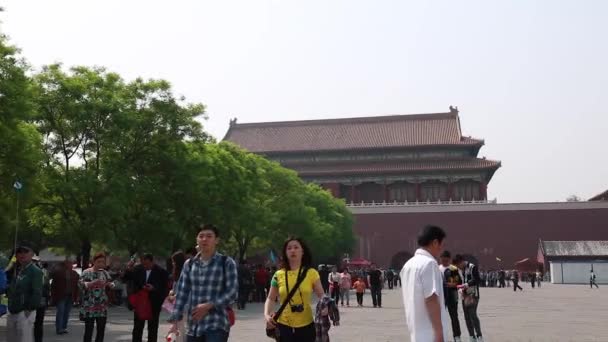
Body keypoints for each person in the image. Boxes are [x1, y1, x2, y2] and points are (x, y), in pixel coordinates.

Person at [169, 224, 238, 342]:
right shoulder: (189, 264)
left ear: (216, 240)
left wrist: (209, 305)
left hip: (216, 324)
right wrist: (175, 321)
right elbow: (182, 293)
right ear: (197, 240)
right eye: (201, 236)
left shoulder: (226, 262)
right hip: (193, 326)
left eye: (209, 236)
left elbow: (232, 293)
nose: (204, 239)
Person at [264, 237, 326, 342]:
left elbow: (321, 295)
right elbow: (270, 298)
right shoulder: (278, 275)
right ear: (285, 253)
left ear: (302, 252)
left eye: (296, 247)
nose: (293, 250)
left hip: (306, 324)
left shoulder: (312, 273)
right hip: (284, 325)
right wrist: (266, 314)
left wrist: (325, 307)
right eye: (289, 248)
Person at [400, 225, 449, 342]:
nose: (442, 249)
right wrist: (439, 332)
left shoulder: (407, 265)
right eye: (442, 245)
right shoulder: (429, 264)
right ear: (435, 242)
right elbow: (431, 298)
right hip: (429, 333)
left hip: (416, 332)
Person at [123, 253, 169, 342]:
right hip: (140, 303)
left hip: (153, 303)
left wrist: (154, 288)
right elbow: (126, 278)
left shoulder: (161, 272)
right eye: (143, 264)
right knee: (137, 328)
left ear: (152, 262)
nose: (145, 266)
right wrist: (128, 269)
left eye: (147, 264)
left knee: (152, 328)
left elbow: (164, 288)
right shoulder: (138, 269)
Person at [6, 244, 43, 342]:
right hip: (13, 309)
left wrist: (29, 309)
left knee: (24, 339)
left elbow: (37, 292)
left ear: (31, 254)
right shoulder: (17, 270)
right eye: (19, 252)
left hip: (25, 311)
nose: (22, 254)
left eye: (25, 251)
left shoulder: (35, 271)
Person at [80, 253, 115, 342]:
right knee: (89, 330)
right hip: (89, 305)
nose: (100, 264)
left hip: (102, 306)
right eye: (98, 261)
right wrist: (91, 283)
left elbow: (111, 283)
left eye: (103, 262)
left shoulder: (105, 273)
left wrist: (110, 285)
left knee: (101, 329)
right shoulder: (86, 272)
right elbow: (80, 284)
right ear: (93, 261)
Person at [453, 254, 483, 342]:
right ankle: (472, 336)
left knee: (473, 315)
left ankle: (479, 336)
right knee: (467, 317)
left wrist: (466, 285)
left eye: (458, 264)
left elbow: (477, 279)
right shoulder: (458, 270)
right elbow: (458, 282)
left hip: (473, 295)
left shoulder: (472, 267)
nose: (458, 267)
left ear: (462, 261)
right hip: (464, 296)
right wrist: (459, 289)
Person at [51, 258, 80, 335]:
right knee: (60, 311)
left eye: (71, 263)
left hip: (70, 295)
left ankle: (64, 327)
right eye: (68, 263)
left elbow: (77, 286)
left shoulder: (75, 274)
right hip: (61, 295)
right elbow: (54, 285)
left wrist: (77, 297)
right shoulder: (58, 273)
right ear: (64, 264)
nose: (70, 264)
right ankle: (59, 328)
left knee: (66, 312)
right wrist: (53, 296)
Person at [439, 251, 462, 342]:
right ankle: (441, 336)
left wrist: (451, 285)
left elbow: (458, 283)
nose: (444, 261)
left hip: (452, 296)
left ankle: (457, 336)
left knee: (454, 317)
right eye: (442, 259)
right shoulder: (437, 268)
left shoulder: (453, 269)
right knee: (439, 318)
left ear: (449, 259)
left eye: (446, 259)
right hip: (441, 297)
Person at [33, 259, 50, 342]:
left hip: (40, 298)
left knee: (38, 323)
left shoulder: (42, 271)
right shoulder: (43, 271)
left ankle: (38, 339)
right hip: (39, 298)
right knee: (38, 323)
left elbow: (45, 285)